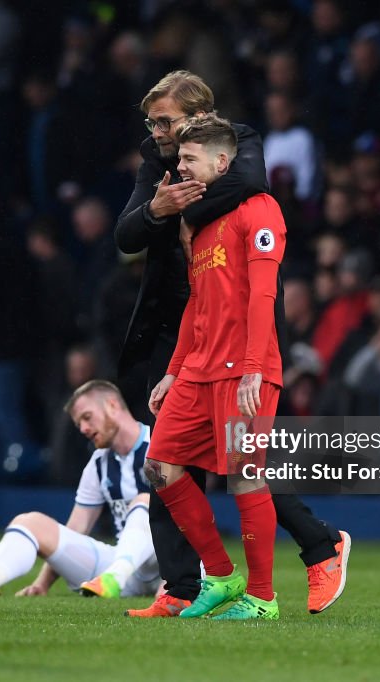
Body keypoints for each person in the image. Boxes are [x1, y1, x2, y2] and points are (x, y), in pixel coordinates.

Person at [115, 70, 349, 618]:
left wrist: (178, 209)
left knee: (241, 466)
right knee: (167, 462)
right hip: (188, 332)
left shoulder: (236, 147)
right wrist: (156, 209)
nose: (157, 133)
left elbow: (247, 190)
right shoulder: (157, 161)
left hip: (245, 327)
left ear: (197, 118)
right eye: (151, 122)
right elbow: (127, 234)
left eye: (165, 121)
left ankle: (300, 561)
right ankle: (190, 585)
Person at [144, 115, 284, 621]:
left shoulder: (260, 210)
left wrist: (252, 368)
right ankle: (222, 576)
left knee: (245, 477)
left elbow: (264, 293)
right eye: (178, 158)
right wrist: (173, 369)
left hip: (245, 370)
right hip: (199, 369)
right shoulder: (199, 224)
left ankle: (263, 598)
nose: (178, 166)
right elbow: (197, 303)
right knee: (159, 466)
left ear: (221, 163)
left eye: (188, 159)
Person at [0, 380, 159, 599]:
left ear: (113, 405)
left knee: (145, 501)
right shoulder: (98, 464)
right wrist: (43, 584)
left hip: (172, 567)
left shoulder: (159, 443)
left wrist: (184, 578)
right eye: (79, 425)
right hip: (124, 572)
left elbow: (194, 513)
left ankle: (117, 575)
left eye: (87, 417)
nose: (84, 429)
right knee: (28, 522)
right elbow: (75, 530)